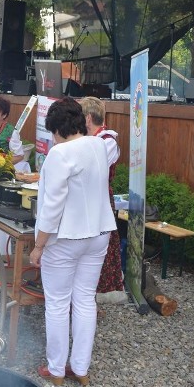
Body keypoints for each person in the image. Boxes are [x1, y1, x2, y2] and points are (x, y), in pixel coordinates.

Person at [30, 97, 116, 387]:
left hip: (65, 238)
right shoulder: (99, 146)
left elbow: (52, 206)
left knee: (57, 304)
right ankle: (80, 368)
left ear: (57, 129)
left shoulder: (60, 153)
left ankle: (56, 369)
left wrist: (39, 245)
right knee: (84, 301)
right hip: (99, 234)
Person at [79, 96, 124, 295]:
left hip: (99, 199)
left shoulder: (108, 141)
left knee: (97, 248)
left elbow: (91, 169)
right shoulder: (83, 139)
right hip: (82, 197)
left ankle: (91, 298)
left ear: (88, 118)